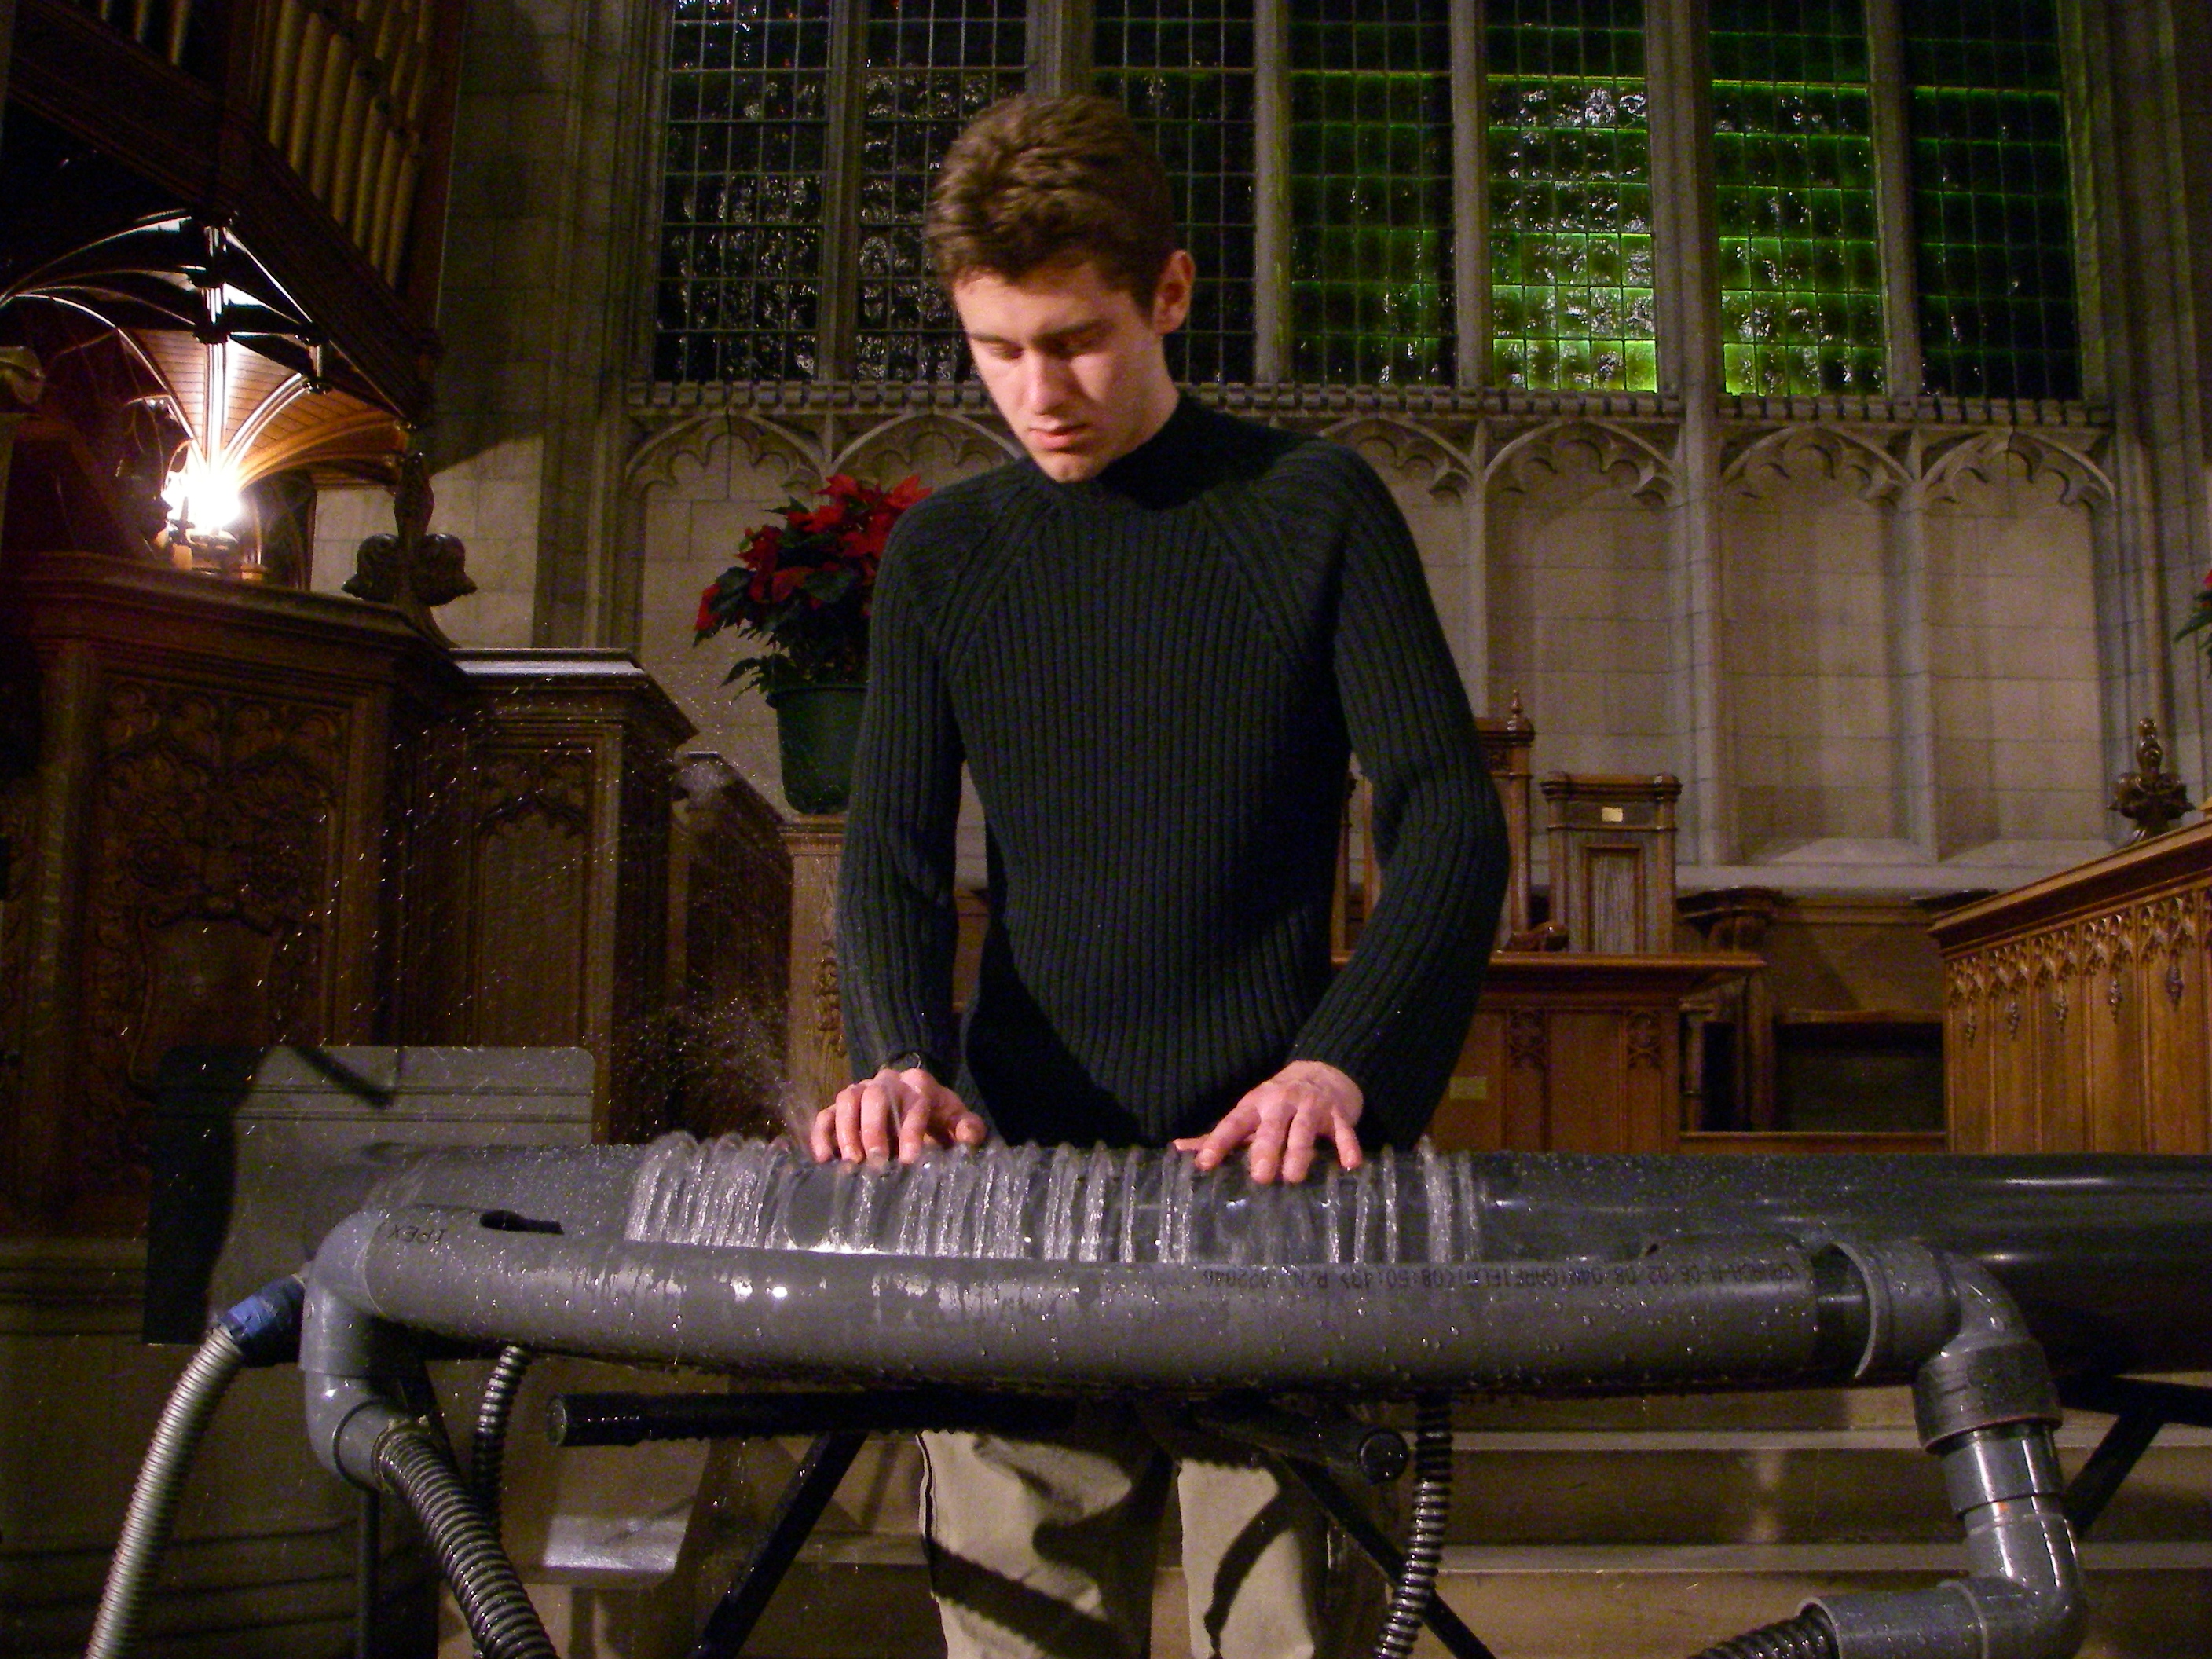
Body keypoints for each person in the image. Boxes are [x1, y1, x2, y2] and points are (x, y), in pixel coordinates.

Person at [812, 93, 1508, 1659]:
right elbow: (893, 860)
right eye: (998, 350)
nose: (1037, 393)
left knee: (1288, 1633)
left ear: (1171, 294)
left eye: (1076, 341)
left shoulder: (1310, 507)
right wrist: (900, 1058)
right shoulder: (945, 555)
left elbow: (1449, 820)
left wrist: (1342, 1061)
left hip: (1272, 1182)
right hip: (1019, 1188)